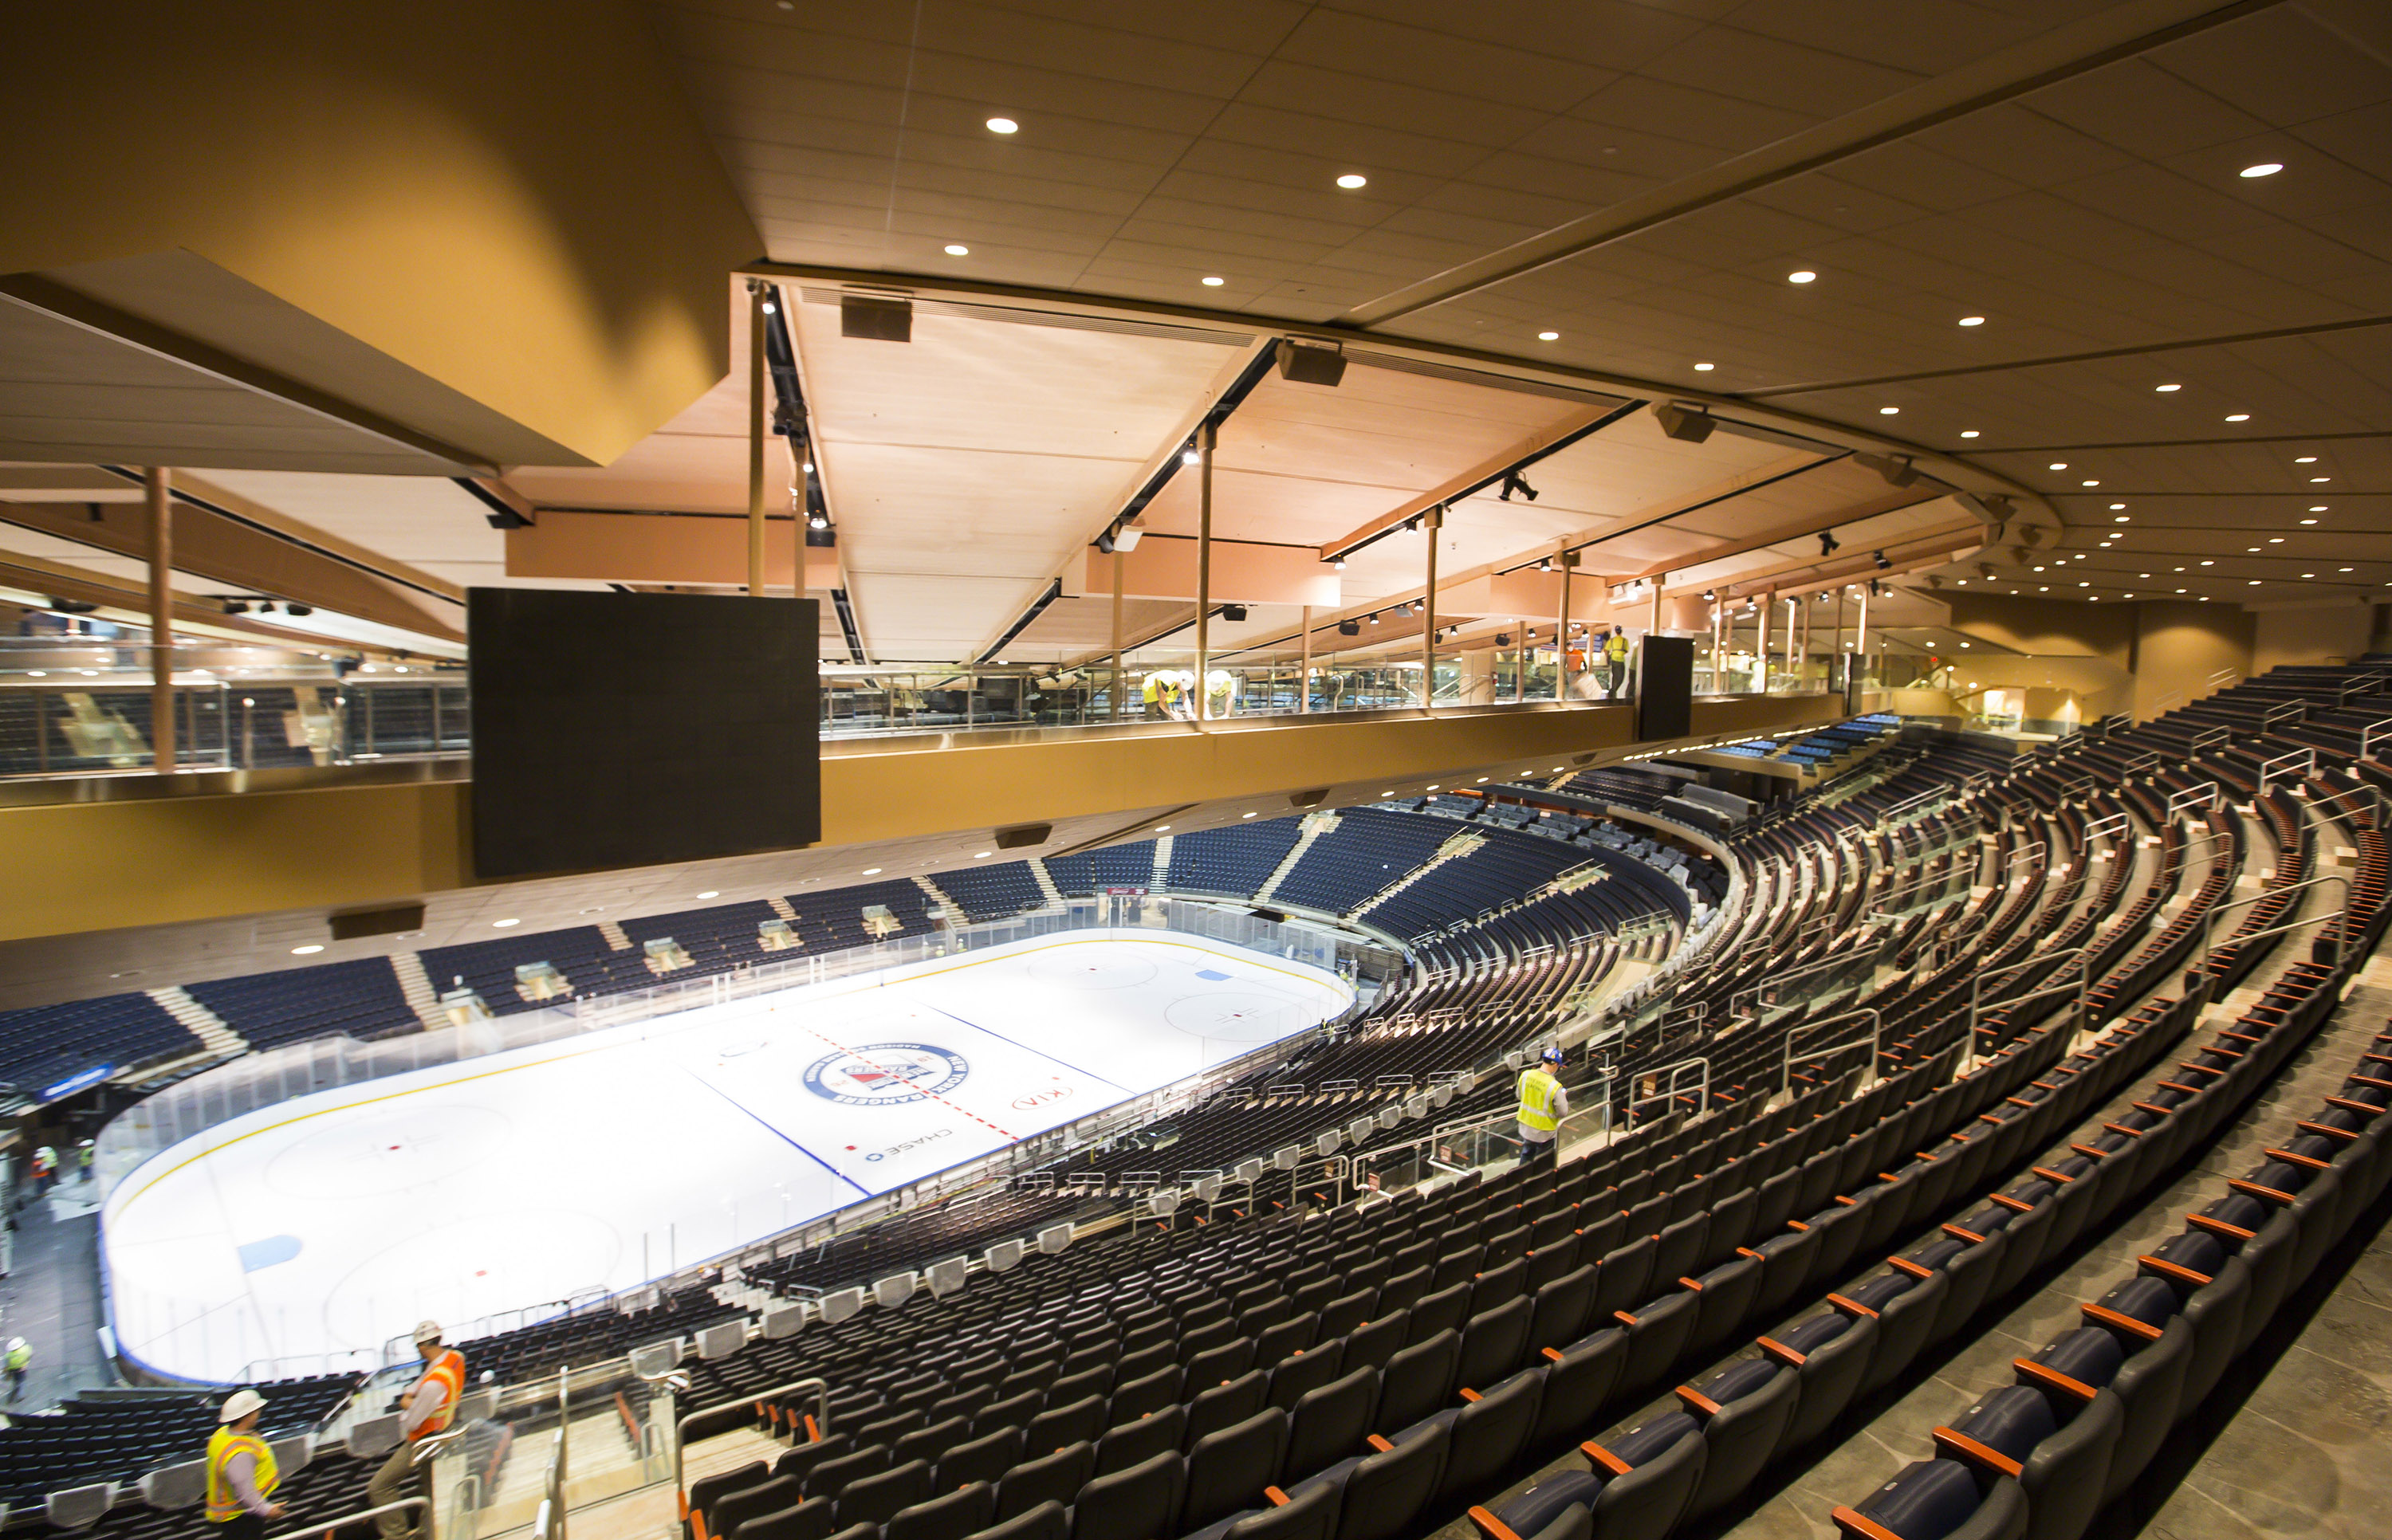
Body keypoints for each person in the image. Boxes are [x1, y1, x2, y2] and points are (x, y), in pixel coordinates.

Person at [367, 1321, 466, 1540]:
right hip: (442, 1433)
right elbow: (414, 1390)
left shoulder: (434, 1382)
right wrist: (415, 1398)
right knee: (430, 1491)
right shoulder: (455, 1359)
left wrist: (409, 1402)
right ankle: (426, 1535)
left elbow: (411, 1420)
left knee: (379, 1486)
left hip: (424, 1439)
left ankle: (398, 1536)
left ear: (422, 1347)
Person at [206, 1389, 286, 1540]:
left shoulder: (221, 1435)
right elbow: (245, 1491)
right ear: (247, 1416)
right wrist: (266, 1510)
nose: (259, 1413)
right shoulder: (241, 1453)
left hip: (239, 1516)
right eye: (256, 1410)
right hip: (242, 1517)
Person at [1515, 1047, 1570, 1169]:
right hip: (1545, 1132)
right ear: (1555, 1064)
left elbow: (1519, 1096)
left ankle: (1519, 1181)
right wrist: (1563, 1097)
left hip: (1526, 1126)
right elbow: (1563, 1112)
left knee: (1526, 1157)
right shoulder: (1555, 1086)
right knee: (1542, 1165)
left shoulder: (1525, 1075)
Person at [1603, 629, 1632, 699]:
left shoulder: (1612, 640)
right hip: (1620, 661)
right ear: (1621, 631)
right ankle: (1612, 693)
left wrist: (1607, 659)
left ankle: (1612, 695)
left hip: (1613, 660)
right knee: (1620, 678)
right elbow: (1626, 650)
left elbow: (1606, 650)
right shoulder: (1624, 640)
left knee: (1615, 678)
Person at [3, 1338, 30, 1403]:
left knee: (16, 1381)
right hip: (22, 1369)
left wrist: (7, 1371)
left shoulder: (9, 1355)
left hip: (13, 1370)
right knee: (21, 1382)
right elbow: (29, 1356)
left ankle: (13, 1394)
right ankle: (20, 1396)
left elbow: (7, 1364)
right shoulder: (25, 1349)